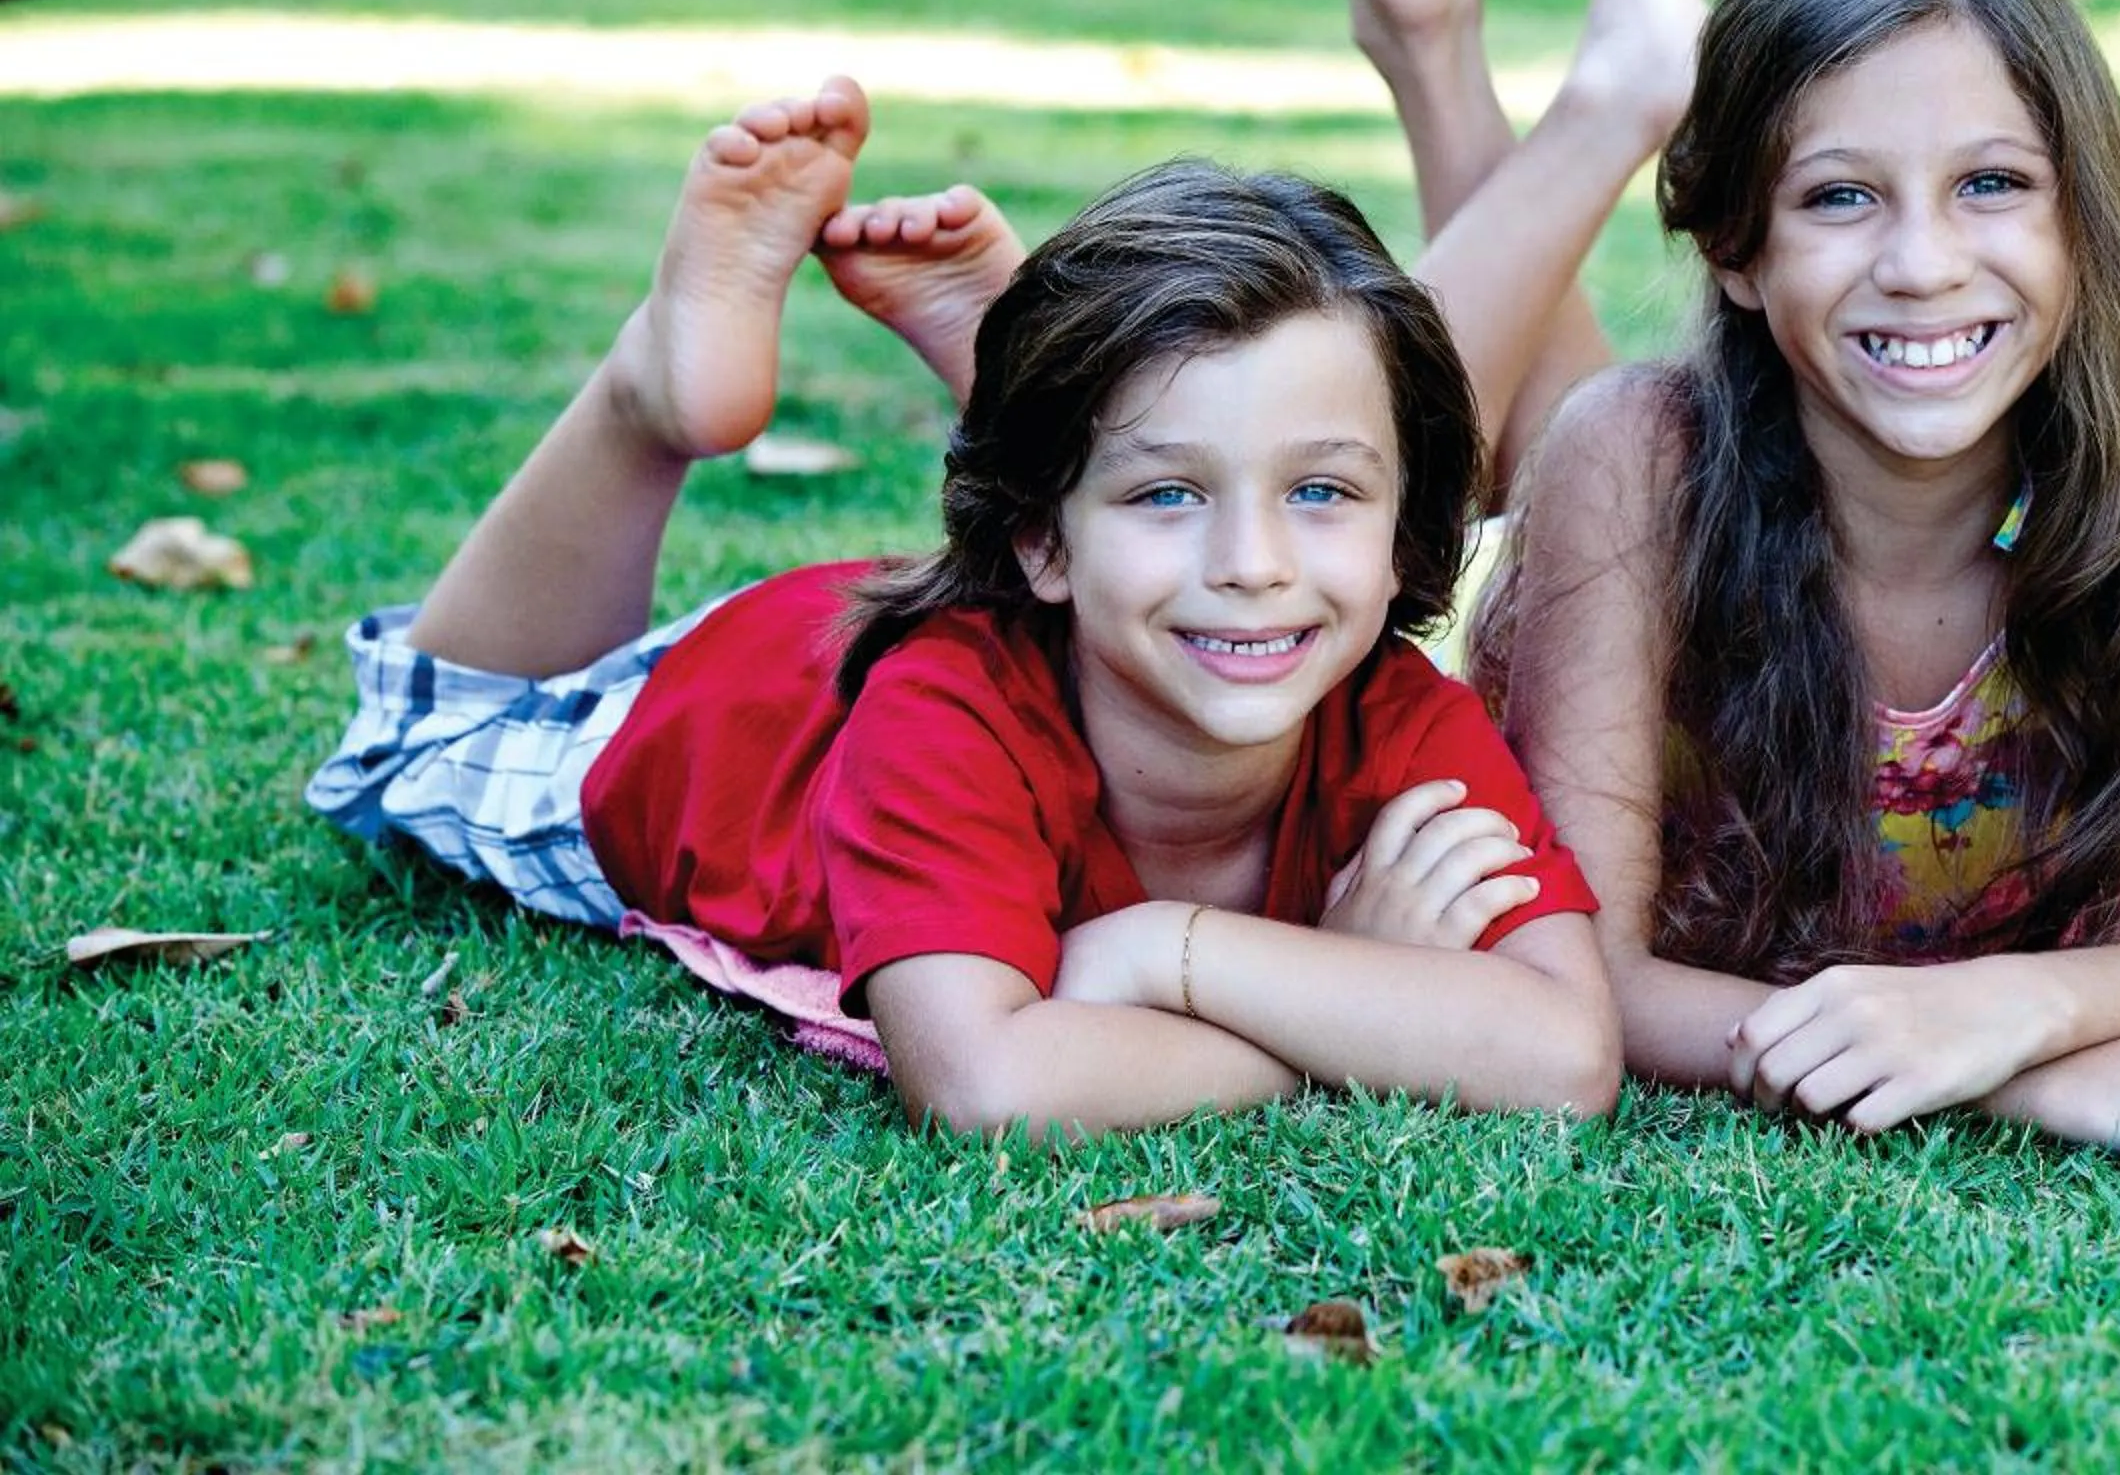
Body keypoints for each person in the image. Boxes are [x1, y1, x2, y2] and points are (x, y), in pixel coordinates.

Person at [1252, 0, 2120, 1158]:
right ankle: (1460, 41)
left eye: (1993, 185)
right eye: (1840, 196)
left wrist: (2006, 1005)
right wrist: (2018, 1074)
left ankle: (1468, 39)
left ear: (2082, 215)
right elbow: (1580, 981)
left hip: (1680, 473)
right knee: (1475, 444)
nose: (1924, 264)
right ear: (1735, 243)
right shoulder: (1637, 468)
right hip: (1579, 568)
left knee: (1599, 422)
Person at [303, 79, 1620, 1140]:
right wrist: (1338, 991)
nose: (1255, 564)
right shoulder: (944, 717)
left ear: (1405, 535)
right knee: (420, 731)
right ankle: (646, 395)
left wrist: (1168, 952)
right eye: (1171, 495)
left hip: (1013, 617)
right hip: (710, 724)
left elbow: (1565, 1058)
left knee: (1132, 497)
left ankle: (1057, 410)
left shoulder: (1397, 718)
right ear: (1040, 548)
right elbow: (988, 1087)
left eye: (1322, 491)